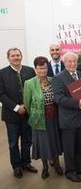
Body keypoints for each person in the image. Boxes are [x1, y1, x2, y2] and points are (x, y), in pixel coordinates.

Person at [52, 52, 81, 182]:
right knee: (69, 147)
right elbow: (58, 98)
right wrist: (77, 103)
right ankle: (70, 171)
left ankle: (79, 167)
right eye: (69, 61)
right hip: (68, 119)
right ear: (64, 62)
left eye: (74, 61)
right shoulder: (58, 77)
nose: (72, 63)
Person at [0, 47, 37, 178]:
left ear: (21, 56)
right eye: (13, 56)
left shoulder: (30, 71)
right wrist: (16, 107)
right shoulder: (2, 73)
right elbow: (1, 95)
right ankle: (16, 166)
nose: (16, 57)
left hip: (28, 113)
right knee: (13, 142)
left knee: (27, 140)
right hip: (11, 115)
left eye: (18, 55)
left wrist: (27, 106)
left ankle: (26, 162)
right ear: (8, 58)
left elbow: (35, 90)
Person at [23, 56, 63, 179]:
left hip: (54, 118)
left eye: (44, 68)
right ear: (35, 69)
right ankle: (45, 167)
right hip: (39, 119)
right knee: (43, 143)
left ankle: (57, 164)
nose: (42, 71)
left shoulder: (53, 80)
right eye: (40, 68)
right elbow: (27, 103)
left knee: (54, 140)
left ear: (47, 68)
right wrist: (37, 114)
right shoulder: (29, 83)